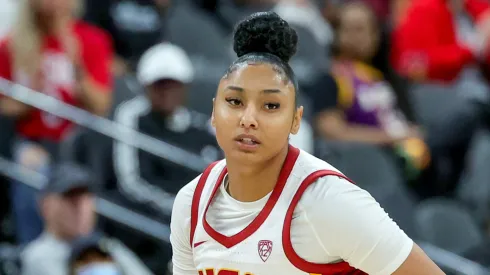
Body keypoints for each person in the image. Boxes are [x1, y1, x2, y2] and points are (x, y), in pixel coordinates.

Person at [170, 11, 444, 275]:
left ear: (295, 121)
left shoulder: (329, 201)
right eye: (235, 101)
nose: (249, 119)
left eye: (270, 105)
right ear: (214, 111)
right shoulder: (190, 204)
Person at [0, 0, 113, 245]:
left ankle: (84, 253)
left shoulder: (90, 39)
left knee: (80, 191)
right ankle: (31, 253)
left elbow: (100, 104)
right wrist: (29, 95)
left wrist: (77, 68)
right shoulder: (13, 44)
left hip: (77, 144)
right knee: (31, 172)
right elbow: (4, 105)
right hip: (32, 142)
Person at [21, 162, 152, 275]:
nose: (81, 208)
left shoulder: (108, 246)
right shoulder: (39, 256)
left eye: (86, 197)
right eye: (71, 198)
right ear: (46, 206)